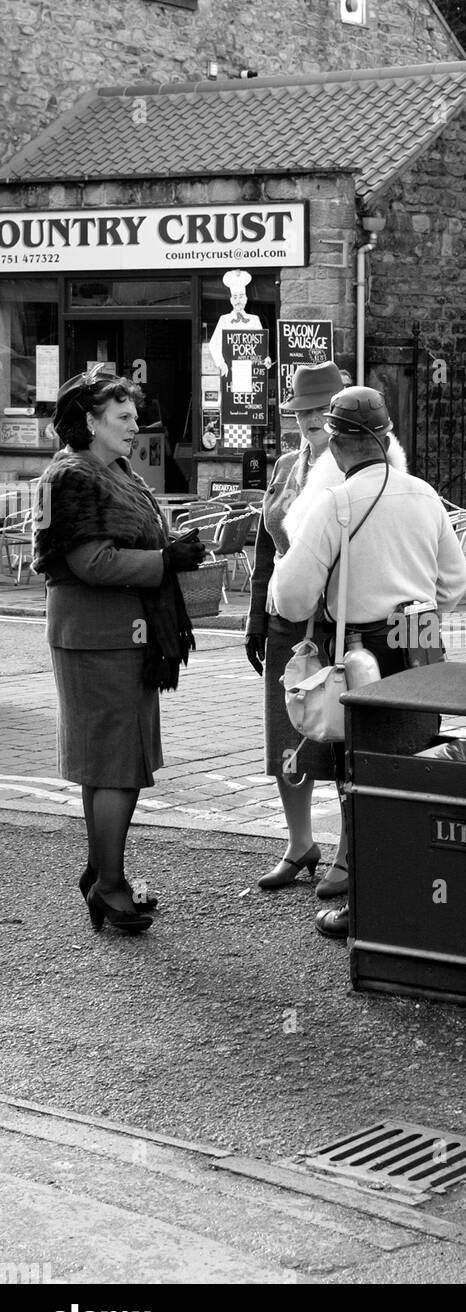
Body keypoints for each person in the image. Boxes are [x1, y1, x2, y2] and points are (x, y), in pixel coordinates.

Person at [272, 385, 466, 940]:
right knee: (413, 763)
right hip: (420, 639)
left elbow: (292, 600)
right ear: (386, 438)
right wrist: (414, 611)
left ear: (336, 447)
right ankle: (421, 890)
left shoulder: (335, 504)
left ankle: (371, 907)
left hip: (362, 651)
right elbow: (453, 582)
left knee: (361, 775)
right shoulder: (426, 495)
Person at [33, 366, 205, 936]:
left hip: (117, 634)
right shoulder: (73, 476)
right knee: (117, 766)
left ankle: (103, 872)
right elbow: (90, 563)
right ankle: (109, 885)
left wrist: (169, 546)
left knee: (110, 764)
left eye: (135, 416)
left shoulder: (112, 470)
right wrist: (164, 562)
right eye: (124, 417)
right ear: (90, 420)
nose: (137, 426)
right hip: (99, 636)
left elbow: (127, 540)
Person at [245, 363, 409, 899]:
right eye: (302, 411)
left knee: (337, 738)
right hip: (285, 620)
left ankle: (345, 852)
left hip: (337, 624)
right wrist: (254, 615)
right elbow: (267, 547)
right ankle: (300, 844)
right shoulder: (289, 464)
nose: (311, 420)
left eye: (320, 410)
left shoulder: (360, 469)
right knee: (288, 736)